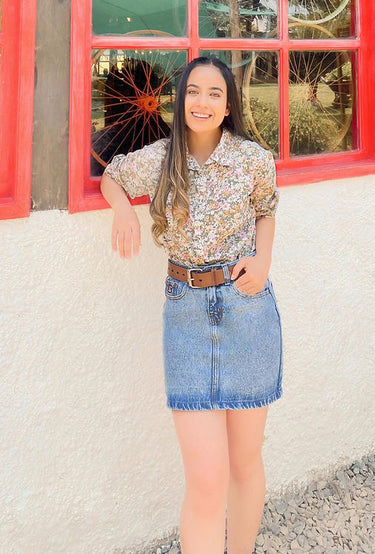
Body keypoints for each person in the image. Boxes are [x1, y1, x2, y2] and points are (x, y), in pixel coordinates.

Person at [100, 56, 283, 554]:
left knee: (245, 462)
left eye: (214, 94)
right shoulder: (161, 157)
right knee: (206, 477)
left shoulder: (252, 159)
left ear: (228, 106)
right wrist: (123, 211)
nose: (202, 102)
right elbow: (112, 176)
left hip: (247, 307)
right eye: (193, 92)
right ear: (181, 101)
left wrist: (263, 259)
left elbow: (266, 208)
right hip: (186, 313)